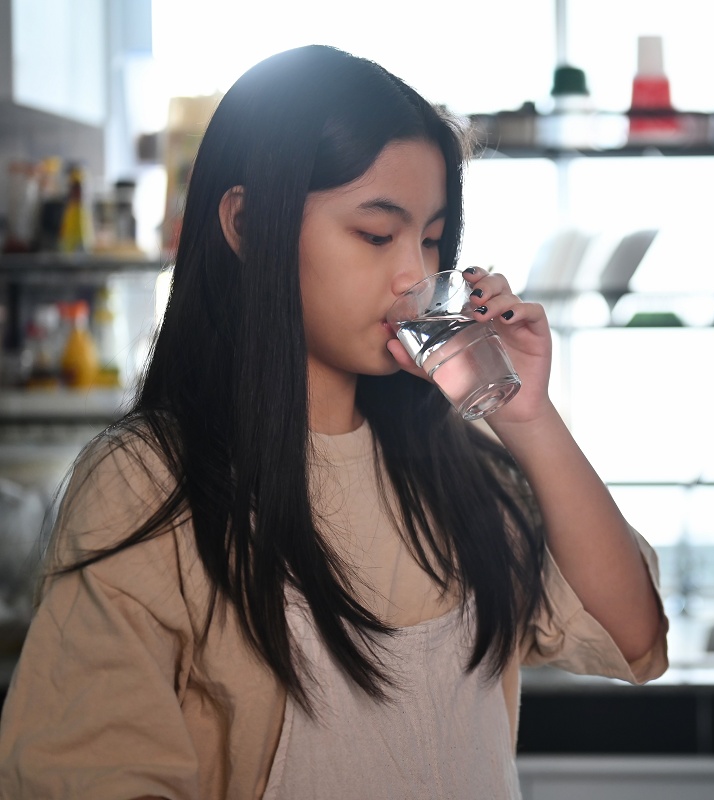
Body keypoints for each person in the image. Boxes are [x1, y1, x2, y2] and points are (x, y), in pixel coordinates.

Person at [0, 45, 668, 799]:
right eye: (377, 235)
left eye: (431, 238)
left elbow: (634, 636)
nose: (415, 274)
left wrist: (531, 419)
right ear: (247, 224)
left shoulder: (458, 460)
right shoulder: (147, 483)